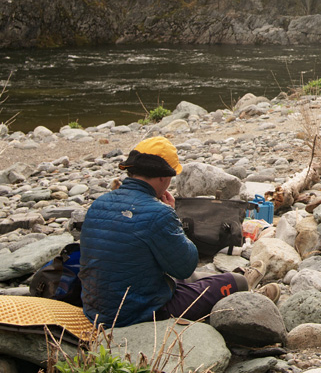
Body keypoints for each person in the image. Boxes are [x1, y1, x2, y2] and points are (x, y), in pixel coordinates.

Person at [80, 136, 278, 328]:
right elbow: (185, 266)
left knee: (173, 275)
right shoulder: (159, 213)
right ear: (163, 176)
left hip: (95, 309)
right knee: (231, 281)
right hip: (139, 312)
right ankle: (248, 289)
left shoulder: (98, 205)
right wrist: (175, 217)